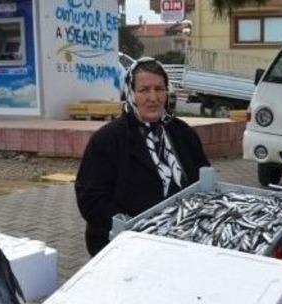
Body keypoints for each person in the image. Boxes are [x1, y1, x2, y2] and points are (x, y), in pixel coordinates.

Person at [75, 57, 210, 256]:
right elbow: (91, 199)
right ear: (131, 93)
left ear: (167, 91)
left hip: (183, 234)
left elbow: (202, 179)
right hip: (125, 242)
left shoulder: (182, 133)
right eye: (144, 90)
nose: (153, 98)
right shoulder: (108, 139)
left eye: (159, 89)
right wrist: (135, 227)